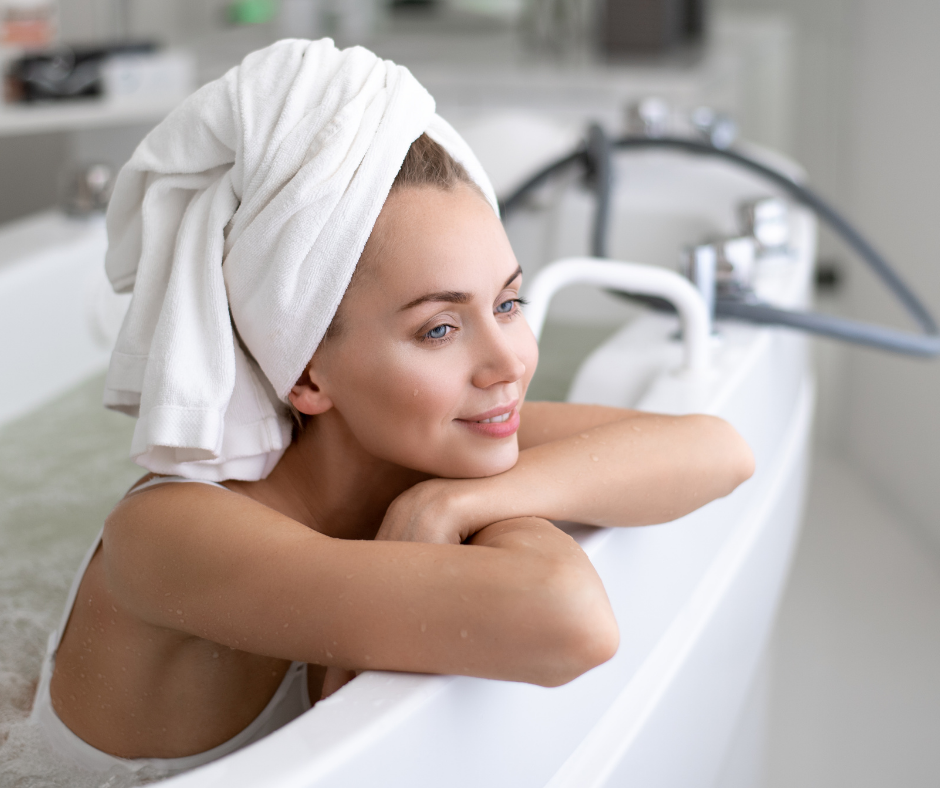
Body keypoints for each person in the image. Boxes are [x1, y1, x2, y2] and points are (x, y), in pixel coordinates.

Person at [29, 40, 754, 775]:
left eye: (509, 302)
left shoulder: (423, 443)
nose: (508, 362)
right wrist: (467, 505)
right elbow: (569, 621)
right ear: (307, 376)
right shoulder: (167, 533)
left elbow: (722, 449)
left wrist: (454, 504)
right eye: (439, 328)